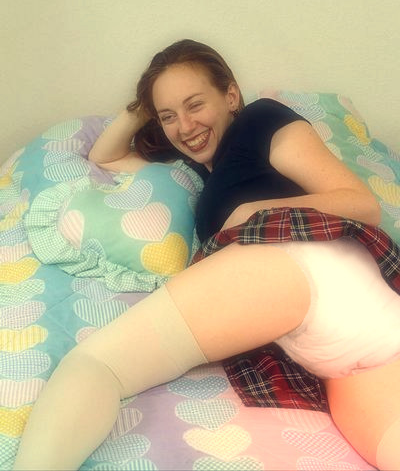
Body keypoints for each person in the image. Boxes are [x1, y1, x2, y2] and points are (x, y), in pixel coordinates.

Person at [14, 39, 400, 470]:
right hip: (354, 346)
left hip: (300, 262)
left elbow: (361, 204)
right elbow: (106, 156)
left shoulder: (261, 120)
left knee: (98, 364)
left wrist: (254, 212)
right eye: (168, 116)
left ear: (231, 95)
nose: (184, 126)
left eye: (195, 104)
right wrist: (142, 107)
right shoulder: (198, 172)